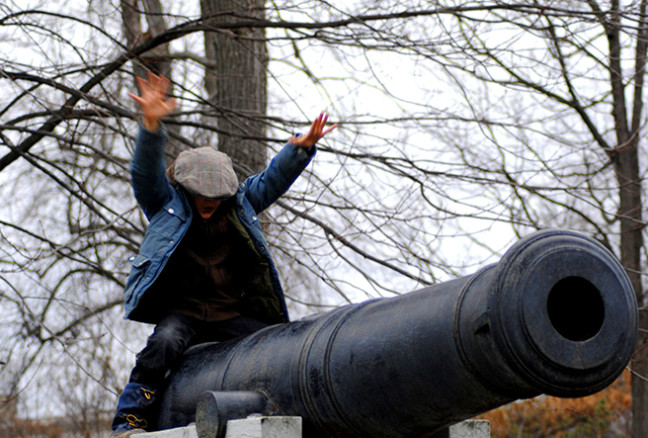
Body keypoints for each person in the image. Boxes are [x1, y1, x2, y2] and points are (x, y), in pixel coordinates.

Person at [111, 72, 336, 437]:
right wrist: (151, 125)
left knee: (281, 341)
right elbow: (144, 175)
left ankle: (301, 410)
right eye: (201, 196)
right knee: (163, 344)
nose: (208, 204)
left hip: (228, 312)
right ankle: (130, 418)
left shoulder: (239, 205)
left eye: (215, 199)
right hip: (183, 313)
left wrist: (300, 149)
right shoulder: (166, 205)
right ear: (184, 189)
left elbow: (271, 181)